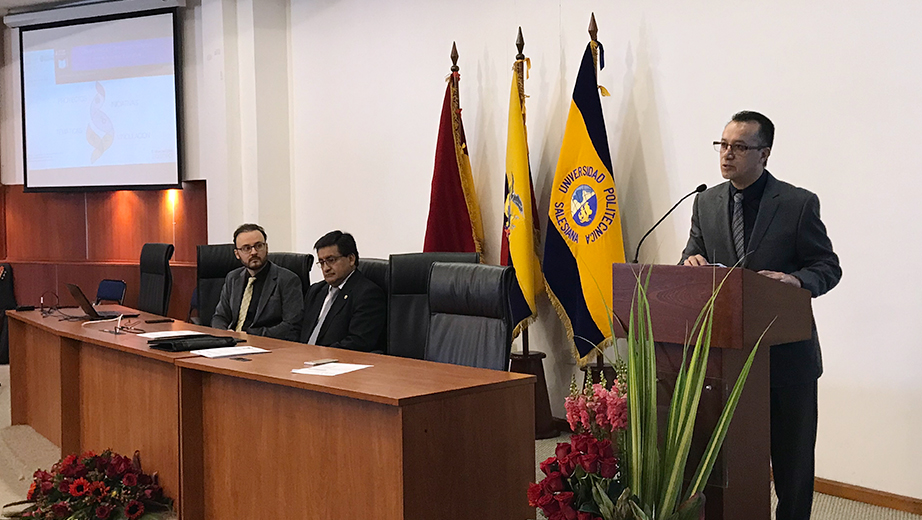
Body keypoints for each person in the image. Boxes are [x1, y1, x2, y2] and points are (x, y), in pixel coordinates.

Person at [681, 111, 841, 520]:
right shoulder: (706, 201)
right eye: (722, 145)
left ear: (764, 154)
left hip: (787, 356)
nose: (727, 154)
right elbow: (692, 251)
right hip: (728, 359)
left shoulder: (797, 203)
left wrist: (794, 281)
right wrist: (690, 262)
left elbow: (827, 267)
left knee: (793, 464)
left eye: (739, 147)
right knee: (733, 463)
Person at [211, 223, 303, 341]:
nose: (254, 252)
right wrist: (225, 334)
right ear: (237, 254)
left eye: (258, 246)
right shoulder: (233, 278)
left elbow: (292, 327)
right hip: (232, 344)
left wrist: (249, 335)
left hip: (266, 347)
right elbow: (220, 317)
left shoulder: (287, 280)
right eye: (246, 248)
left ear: (266, 247)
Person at [300, 230, 385, 352]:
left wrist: (318, 355)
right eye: (322, 262)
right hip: (303, 359)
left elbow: (358, 342)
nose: (326, 268)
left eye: (331, 260)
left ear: (351, 259)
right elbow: (300, 332)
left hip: (334, 363)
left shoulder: (368, 294)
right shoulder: (316, 291)